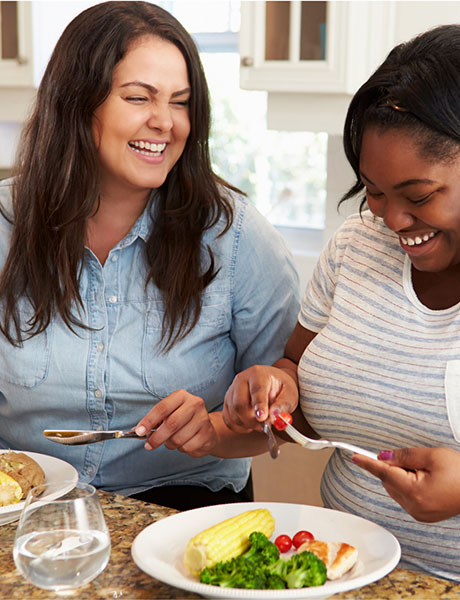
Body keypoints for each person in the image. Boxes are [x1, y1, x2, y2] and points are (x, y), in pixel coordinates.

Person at [222, 24, 460, 598]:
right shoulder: (355, 249)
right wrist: (274, 389)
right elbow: (298, 382)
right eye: (374, 191)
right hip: (346, 569)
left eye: (419, 196)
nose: (392, 220)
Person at [0, 1, 299, 511]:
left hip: (183, 511)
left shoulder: (237, 236)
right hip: (26, 508)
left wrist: (217, 426)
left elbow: (283, 419)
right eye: (139, 97)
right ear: (75, 102)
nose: (164, 122)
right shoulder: (6, 225)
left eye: (180, 103)